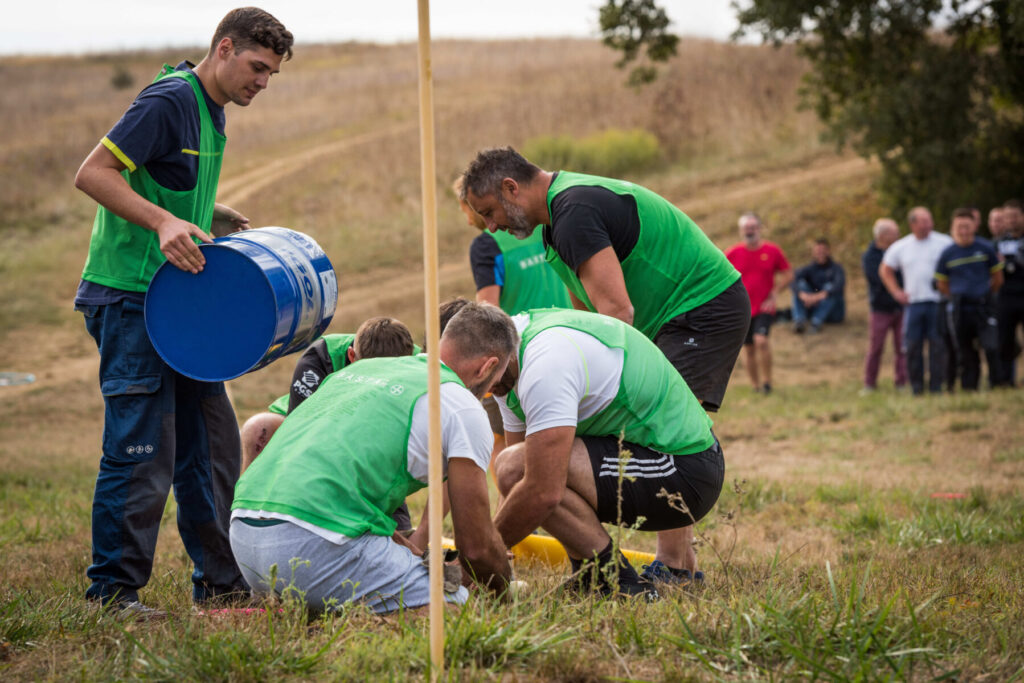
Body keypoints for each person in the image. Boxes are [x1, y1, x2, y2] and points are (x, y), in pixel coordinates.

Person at [71, 8, 293, 616]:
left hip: (179, 303)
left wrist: (204, 213)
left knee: (214, 447)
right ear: (224, 48)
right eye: (256, 67)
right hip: (130, 298)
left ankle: (221, 586)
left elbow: (160, 178)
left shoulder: (214, 110)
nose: (262, 83)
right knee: (142, 450)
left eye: (271, 74)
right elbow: (94, 173)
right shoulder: (170, 99)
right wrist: (165, 221)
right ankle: (111, 595)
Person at [459, 147, 748, 581]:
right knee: (546, 455)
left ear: (510, 187)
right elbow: (585, 323)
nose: (493, 226)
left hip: (700, 304)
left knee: (664, 427)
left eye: (490, 212)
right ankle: (633, 564)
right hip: (670, 313)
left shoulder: (574, 211)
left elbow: (615, 317)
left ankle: (675, 568)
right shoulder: (555, 230)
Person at [230, 303, 517, 614]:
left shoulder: (359, 371)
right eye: (494, 385)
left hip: (246, 544)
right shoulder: (461, 403)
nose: (489, 392)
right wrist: (503, 594)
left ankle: (321, 609)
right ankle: (352, 618)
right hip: (310, 549)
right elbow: (476, 547)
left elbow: (335, 479)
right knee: (459, 610)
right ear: (488, 367)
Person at [485, 307, 724, 598]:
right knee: (516, 468)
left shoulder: (544, 364)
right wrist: (501, 552)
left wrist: (480, 558)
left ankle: (618, 582)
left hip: (687, 471)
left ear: (489, 358)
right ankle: (592, 576)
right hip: (655, 459)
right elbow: (516, 485)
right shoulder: (505, 367)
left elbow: (538, 488)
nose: (479, 390)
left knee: (524, 470)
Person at [457, 175, 570, 477]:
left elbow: (487, 309)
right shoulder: (542, 228)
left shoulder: (487, 245)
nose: (470, 220)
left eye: (470, 211)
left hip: (518, 353)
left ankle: (513, 506)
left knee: (502, 442)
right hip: (568, 339)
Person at [240, 318, 418, 472]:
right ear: (351, 356)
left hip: (371, 435)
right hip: (312, 423)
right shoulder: (321, 357)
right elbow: (301, 435)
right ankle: (248, 507)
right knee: (258, 429)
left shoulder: (420, 364)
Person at [879, 207, 954, 395]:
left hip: (937, 302)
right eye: (923, 222)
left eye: (929, 220)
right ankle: (917, 387)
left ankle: (937, 386)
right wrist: (896, 292)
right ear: (913, 224)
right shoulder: (902, 246)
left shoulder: (944, 242)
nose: (928, 225)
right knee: (913, 346)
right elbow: (885, 269)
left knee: (937, 345)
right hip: (914, 304)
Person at [935, 209, 1004, 391]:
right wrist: (956, 295)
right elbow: (942, 283)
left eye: (967, 226)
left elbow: (997, 277)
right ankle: (969, 386)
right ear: (953, 228)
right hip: (960, 308)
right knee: (965, 350)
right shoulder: (947, 253)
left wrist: (986, 293)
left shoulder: (985, 248)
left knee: (991, 346)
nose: (963, 231)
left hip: (984, 306)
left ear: (974, 226)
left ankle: (997, 383)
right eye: (959, 227)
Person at [725, 212, 793, 394]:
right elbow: (720, 276)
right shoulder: (733, 253)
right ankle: (755, 386)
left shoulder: (772, 251)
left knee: (761, 341)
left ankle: (768, 382)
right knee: (748, 349)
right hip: (742, 309)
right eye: (746, 228)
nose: (750, 231)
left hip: (764, 306)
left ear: (760, 229)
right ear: (741, 231)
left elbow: (788, 274)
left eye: (753, 227)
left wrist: (775, 293)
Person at [861, 218, 908, 392]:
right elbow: (878, 279)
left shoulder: (901, 251)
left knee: (902, 347)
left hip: (901, 308)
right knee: (876, 348)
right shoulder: (870, 256)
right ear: (883, 235)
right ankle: (869, 383)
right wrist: (897, 289)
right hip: (880, 309)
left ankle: (902, 382)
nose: (898, 236)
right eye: (895, 233)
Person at [994, 202, 1024, 386]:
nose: (1012, 220)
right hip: (1005, 298)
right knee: (1005, 340)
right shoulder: (997, 242)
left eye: (1015, 215)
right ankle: (1006, 380)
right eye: (1008, 216)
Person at [791, 238, 846, 334]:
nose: (820, 253)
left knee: (829, 287)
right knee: (800, 285)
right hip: (814, 305)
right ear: (814, 252)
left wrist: (817, 297)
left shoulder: (837, 268)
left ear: (828, 251)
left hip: (834, 312)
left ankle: (816, 322)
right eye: (818, 251)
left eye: (823, 250)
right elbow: (792, 279)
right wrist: (802, 295)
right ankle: (799, 321)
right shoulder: (810, 268)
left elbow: (838, 285)